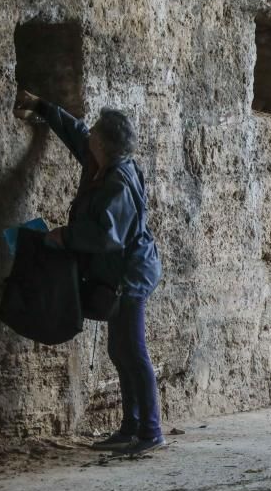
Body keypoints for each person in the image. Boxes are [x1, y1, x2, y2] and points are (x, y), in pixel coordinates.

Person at [14, 89, 165, 454]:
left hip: (130, 275)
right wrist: (43, 105)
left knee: (132, 351)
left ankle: (149, 431)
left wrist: (64, 237)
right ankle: (131, 428)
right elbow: (76, 132)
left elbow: (107, 236)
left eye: (96, 131)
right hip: (119, 273)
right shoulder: (101, 162)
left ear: (105, 143)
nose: (90, 133)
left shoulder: (117, 183)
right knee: (120, 350)